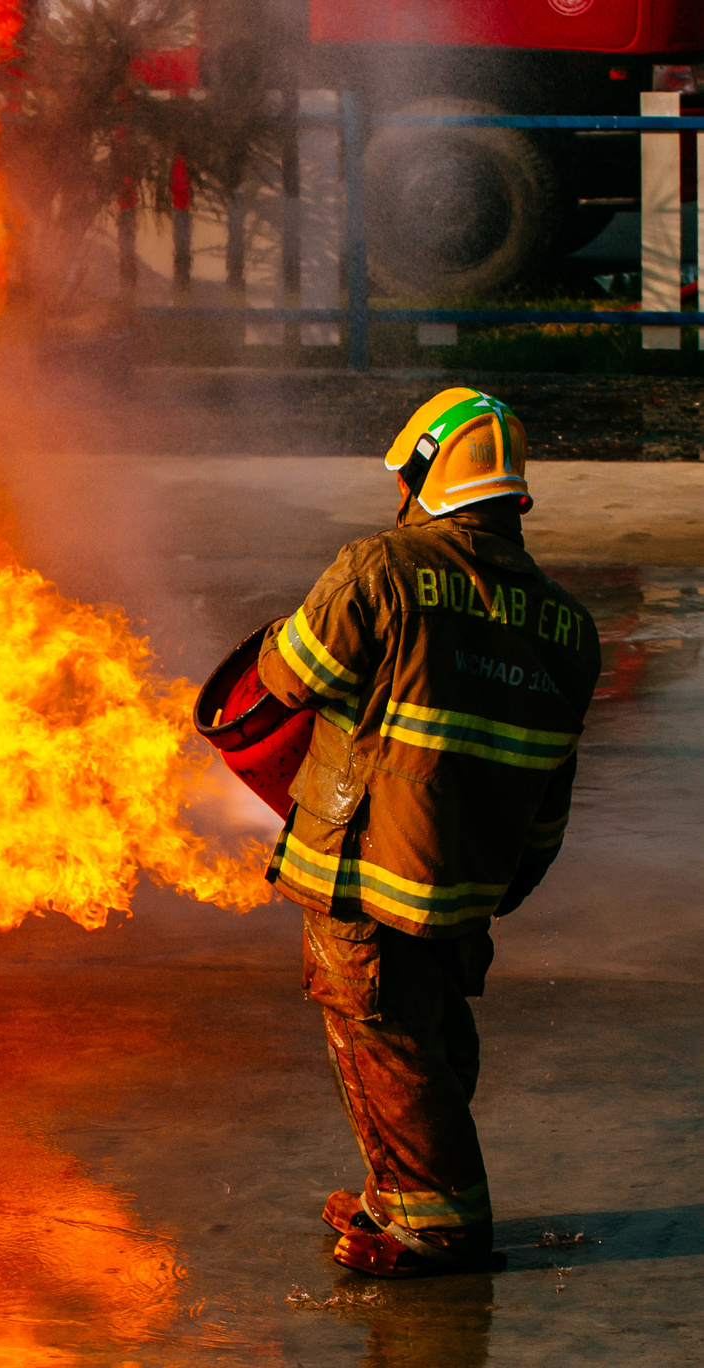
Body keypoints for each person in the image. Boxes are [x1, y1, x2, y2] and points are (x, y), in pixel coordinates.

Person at [258, 388, 600, 1277]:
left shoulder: (384, 568)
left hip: (366, 871)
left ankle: (436, 1226)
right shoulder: (568, 625)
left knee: (380, 1038)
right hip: (466, 884)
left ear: (423, 478)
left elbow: (288, 676)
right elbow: (551, 784)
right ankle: (396, 1191)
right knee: (432, 1034)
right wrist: (508, 881)